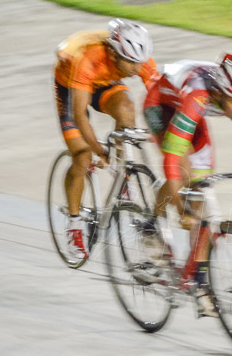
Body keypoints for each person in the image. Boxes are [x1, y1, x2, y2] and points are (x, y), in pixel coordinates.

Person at [143, 54, 232, 316]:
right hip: (160, 103)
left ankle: (199, 281)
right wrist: (180, 211)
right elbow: (171, 160)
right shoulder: (198, 96)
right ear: (222, 94)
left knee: (201, 197)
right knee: (184, 172)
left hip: (188, 109)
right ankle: (151, 224)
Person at [54, 18, 158, 262]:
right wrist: (99, 150)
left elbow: (159, 99)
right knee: (81, 155)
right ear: (113, 52)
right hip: (71, 86)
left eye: (139, 63)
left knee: (126, 109)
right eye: (130, 62)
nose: (136, 68)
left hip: (104, 82)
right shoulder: (87, 59)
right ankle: (75, 224)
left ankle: (123, 178)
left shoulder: (138, 60)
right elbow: (80, 115)